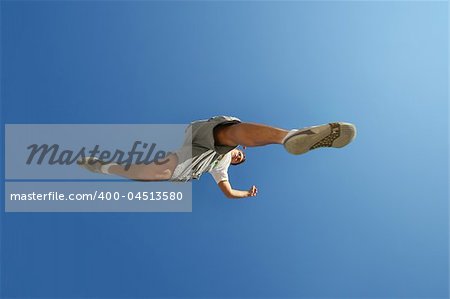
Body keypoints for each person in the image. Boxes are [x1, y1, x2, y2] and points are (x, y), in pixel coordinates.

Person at [78, 116, 356, 198]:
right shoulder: (232, 147)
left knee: (149, 175)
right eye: (238, 157)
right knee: (228, 136)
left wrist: (246, 193)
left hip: (193, 163)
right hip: (199, 139)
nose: (235, 159)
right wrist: (233, 147)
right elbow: (233, 141)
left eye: (237, 162)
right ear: (241, 153)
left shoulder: (221, 167)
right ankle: (289, 136)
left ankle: (102, 168)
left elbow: (227, 191)